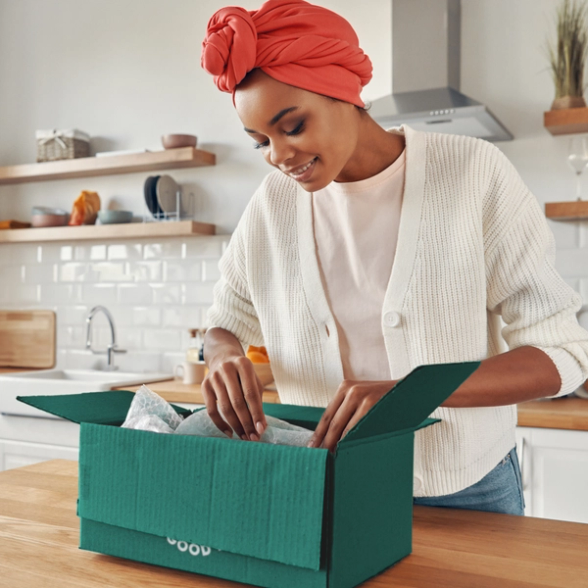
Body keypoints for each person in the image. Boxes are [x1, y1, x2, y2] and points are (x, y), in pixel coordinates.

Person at [199, 0, 588, 515]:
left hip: (465, 490)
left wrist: (412, 393)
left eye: (292, 126)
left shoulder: (474, 174)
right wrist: (223, 356)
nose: (278, 156)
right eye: (260, 142)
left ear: (344, 94)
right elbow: (224, 324)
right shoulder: (272, 205)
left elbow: (563, 354)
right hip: (322, 483)